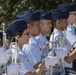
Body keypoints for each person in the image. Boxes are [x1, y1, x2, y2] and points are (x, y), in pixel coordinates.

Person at [16, 10, 59, 75]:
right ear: (29, 26)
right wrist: (45, 62)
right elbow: (37, 68)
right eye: (38, 24)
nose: (40, 26)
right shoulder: (29, 44)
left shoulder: (34, 41)